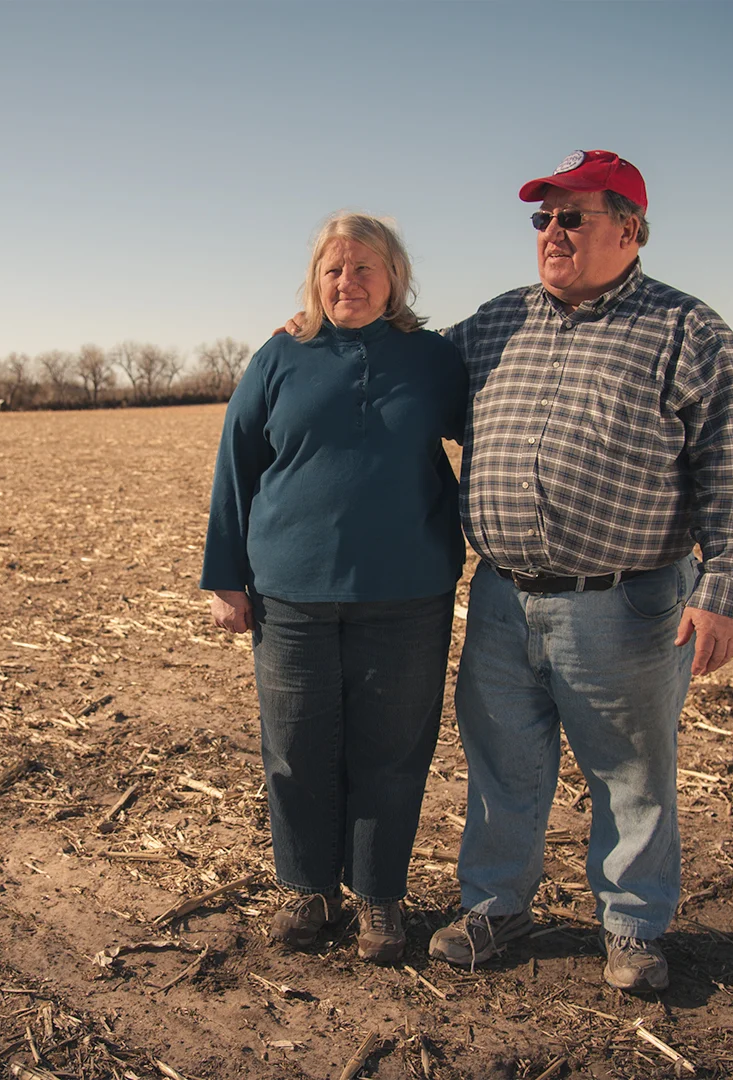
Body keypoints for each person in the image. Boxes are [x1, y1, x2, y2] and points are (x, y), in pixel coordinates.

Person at [426, 150, 733, 992]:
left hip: (625, 605)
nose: (550, 232)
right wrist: (323, 338)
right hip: (502, 597)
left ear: (628, 227)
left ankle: (631, 925)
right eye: (541, 218)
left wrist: (723, 590)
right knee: (502, 762)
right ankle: (496, 907)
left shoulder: (686, 330)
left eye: (570, 216)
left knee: (631, 774)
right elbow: (402, 379)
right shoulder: (493, 324)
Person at [201, 212, 467, 965]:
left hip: (408, 589)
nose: (346, 282)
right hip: (290, 592)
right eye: (332, 270)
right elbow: (235, 466)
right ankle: (308, 889)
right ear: (314, 280)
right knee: (295, 745)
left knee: (392, 749)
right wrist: (226, 579)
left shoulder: (433, 361)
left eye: (363, 269)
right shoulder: (280, 355)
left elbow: (493, 430)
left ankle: (379, 897)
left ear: (394, 279)